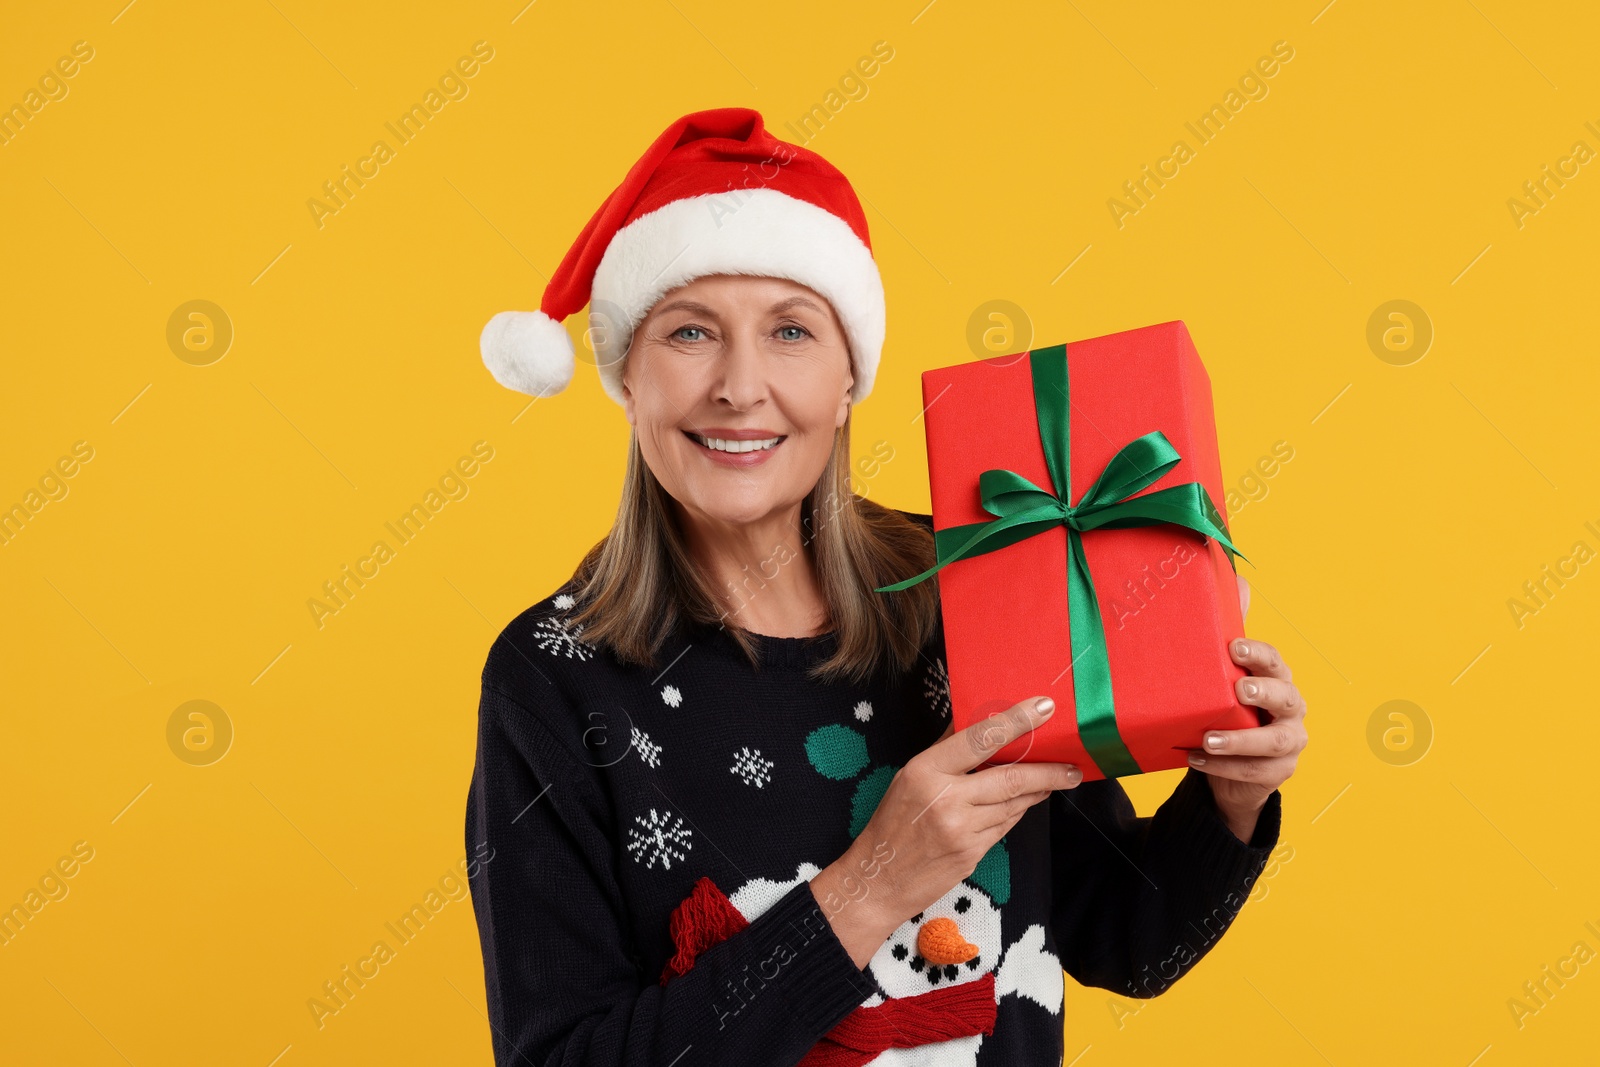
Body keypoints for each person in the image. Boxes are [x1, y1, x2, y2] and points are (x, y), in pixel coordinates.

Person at [465, 107, 1307, 1066]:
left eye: (791, 331)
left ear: (848, 379)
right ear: (628, 377)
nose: (740, 387)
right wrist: (870, 887)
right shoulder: (553, 677)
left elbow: (1127, 938)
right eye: (690, 331)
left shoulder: (968, 588)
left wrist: (1231, 797)